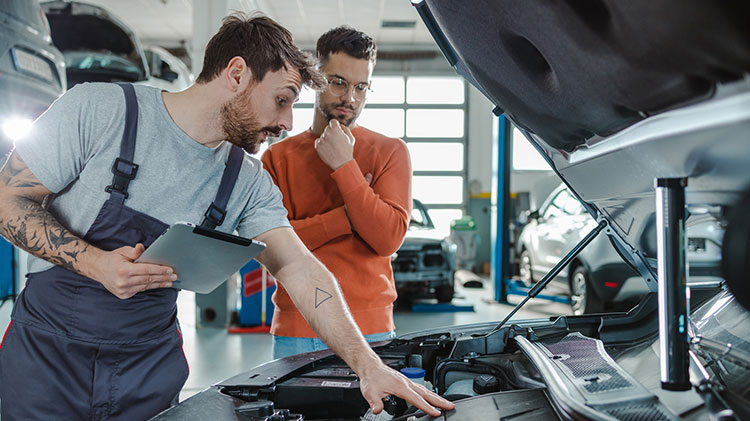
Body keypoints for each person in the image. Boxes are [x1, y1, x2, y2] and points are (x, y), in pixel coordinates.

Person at [0, 13, 452, 419]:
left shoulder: (244, 179)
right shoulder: (100, 110)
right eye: (282, 99)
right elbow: (7, 201)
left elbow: (297, 265)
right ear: (237, 74)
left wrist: (368, 365)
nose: (289, 122)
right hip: (48, 359)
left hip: (146, 369)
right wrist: (96, 264)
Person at [261, 26, 412, 358]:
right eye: (338, 82)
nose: (350, 99)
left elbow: (386, 238)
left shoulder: (390, 152)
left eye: (361, 87)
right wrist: (348, 218)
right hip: (297, 329)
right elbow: (272, 251)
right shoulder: (277, 157)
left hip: (372, 330)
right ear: (315, 78)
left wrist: (344, 165)